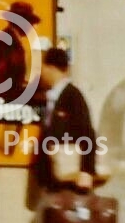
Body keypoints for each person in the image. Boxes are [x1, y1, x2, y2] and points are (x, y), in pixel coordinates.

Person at [33, 48, 98, 193]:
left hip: (70, 181)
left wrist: (86, 171)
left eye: (41, 68)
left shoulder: (72, 96)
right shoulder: (51, 97)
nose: (40, 74)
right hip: (54, 180)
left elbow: (87, 133)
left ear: (50, 67)